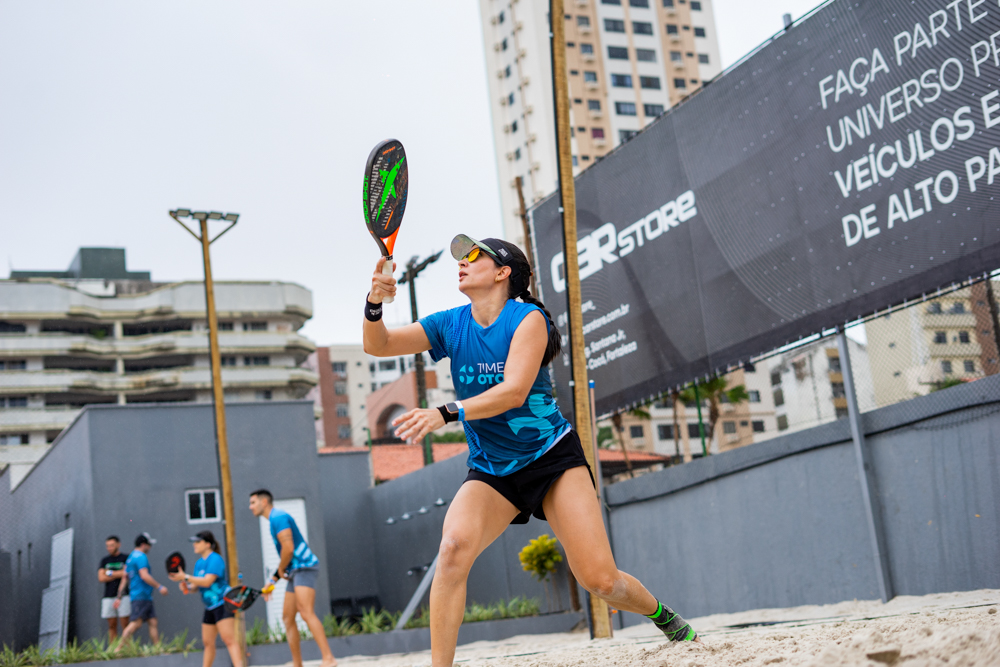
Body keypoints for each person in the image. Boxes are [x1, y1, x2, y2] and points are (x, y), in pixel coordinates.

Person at [363, 236, 700, 666]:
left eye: (474, 257)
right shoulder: (450, 323)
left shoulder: (529, 318)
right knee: (452, 550)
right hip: (492, 468)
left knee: (601, 580)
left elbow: (514, 391)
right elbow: (378, 344)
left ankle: (660, 614)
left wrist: (446, 412)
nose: (462, 263)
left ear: (504, 272)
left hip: (551, 456)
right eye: (461, 258)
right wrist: (374, 303)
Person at [249, 490, 337, 667]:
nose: (250, 507)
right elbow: (286, 560)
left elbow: (288, 549)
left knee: (305, 611)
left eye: (253, 502)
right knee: (288, 617)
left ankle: (329, 658)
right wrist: (272, 581)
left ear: (264, 501)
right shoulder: (273, 520)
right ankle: (298, 664)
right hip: (295, 570)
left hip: (305, 567)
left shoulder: (278, 517)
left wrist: (280, 570)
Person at [167, 531, 242, 667]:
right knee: (207, 643)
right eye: (194, 542)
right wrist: (187, 587)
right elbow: (196, 586)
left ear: (208, 544)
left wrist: (186, 577)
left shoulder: (215, 559)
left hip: (223, 603)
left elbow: (208, 581)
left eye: (198, 542)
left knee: (229, 640)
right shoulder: (199, 563)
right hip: (209, 608)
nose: (194, 545)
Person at [115, 533, 168, 647]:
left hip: (143, 595)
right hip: (141, 595)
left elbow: (125, 577)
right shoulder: (141, 557)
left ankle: (157, 648)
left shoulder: (130, 558)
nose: (150, 548)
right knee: (136, 623)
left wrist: (119, 596)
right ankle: (118, 649)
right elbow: (144, 575)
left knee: (153, 621)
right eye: (149, 545)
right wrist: (159, 586)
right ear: (143, 545)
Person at [98, 535, 129, 640]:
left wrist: (110, 573)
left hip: (123, 595)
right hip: (108, 596)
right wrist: (118, 574)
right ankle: (114, 650)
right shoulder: (105, 561)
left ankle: (128, 650)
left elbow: (126, 574)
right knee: (111, 625)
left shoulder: (125, 558)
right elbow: (101, 578)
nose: (109, 548)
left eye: (112, 545)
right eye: (107, 546)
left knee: (125, 624)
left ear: (118, 545)